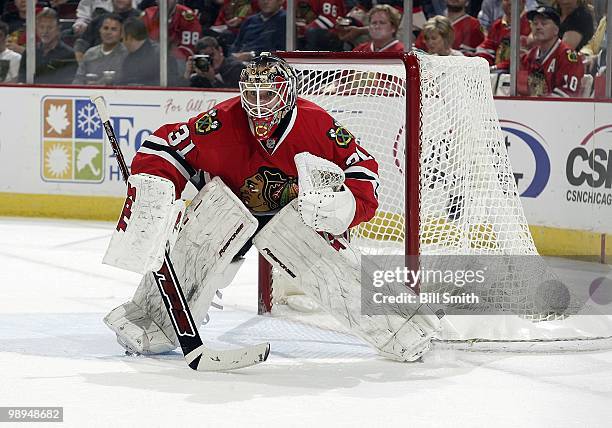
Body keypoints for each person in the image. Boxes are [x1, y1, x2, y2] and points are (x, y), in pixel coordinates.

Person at [102, 52, 440, 363]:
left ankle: (403, 330)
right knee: (200, 243)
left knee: (325, 264)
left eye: (269, 94)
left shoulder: (315, 124)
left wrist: (347, 204)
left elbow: (362, 165)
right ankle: (150, 322)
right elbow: (165, 147)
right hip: (229, 213)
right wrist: (153, 197)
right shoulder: (221, 121)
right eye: (252, 94)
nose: (259, 105)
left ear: (289, 92)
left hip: (292, 219)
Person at [519, 6, 584, 97]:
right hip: (531, 108)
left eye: (544, 23)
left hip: (559, 110)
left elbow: (567, 94)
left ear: (556, 30)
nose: (538, 27)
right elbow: (520, 89)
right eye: (535, 23)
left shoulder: (568, 57)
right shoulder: (530, 56)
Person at [18, 7, 77, 84]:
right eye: (41, 27)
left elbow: (67, 83)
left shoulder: (69, 54)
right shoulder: (30, 51)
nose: (45, 31)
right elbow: (22, 78)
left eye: (50, 27)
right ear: (36, 28)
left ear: (58, 29)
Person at [73, 0, 141, 62]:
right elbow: (81, 44)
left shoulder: (142, 19)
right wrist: (84, 67)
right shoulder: (100, 19)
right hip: (97, 67)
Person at [117, 16, 177, 86]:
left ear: (129, 37)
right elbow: (124, 81)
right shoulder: (127, 58)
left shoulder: (161, 55)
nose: (123, 43)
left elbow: (172, 81)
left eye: (122, 39)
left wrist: (142, 86)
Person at [476, 0, 531, 72]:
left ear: (524, 1)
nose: (511, 2)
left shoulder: (531, 25)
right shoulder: (497, 25)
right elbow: (486, 49)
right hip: (497, 74)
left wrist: (495, 68)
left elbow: (523, 57)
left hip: (520, 75)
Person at [414, 0, 484, 55]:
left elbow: (475, 56)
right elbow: (418, 50)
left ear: (467, 2)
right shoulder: (432, 24)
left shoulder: (475, 25)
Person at [72, 13, 126, 84]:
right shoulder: (90, 53)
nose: (108, 32)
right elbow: (78, 80)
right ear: (100, 30)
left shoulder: (127, 54)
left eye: (113, 29)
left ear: (121, 34)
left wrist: (98, 84)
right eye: (105, 28)